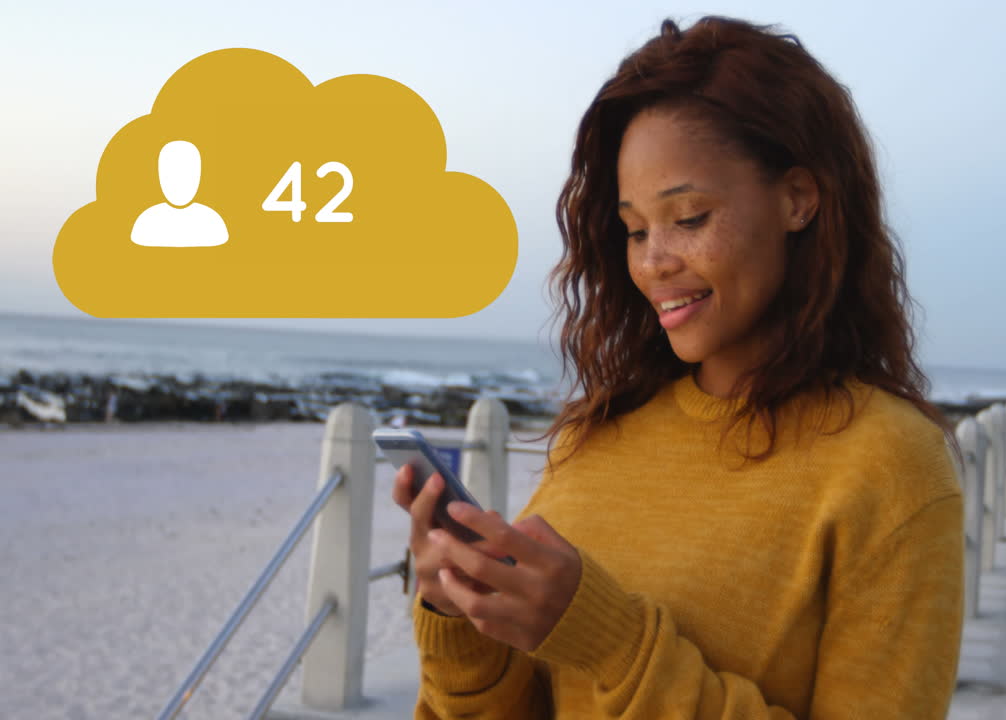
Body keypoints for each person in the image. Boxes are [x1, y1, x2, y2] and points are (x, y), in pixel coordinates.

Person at [391, 17, 963, 719]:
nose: (654, 261)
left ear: (798, 200)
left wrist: (612, 643)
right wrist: (460, 619)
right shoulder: (594, 437)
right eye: (634, 230)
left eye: (688, 217)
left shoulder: (889, 464)